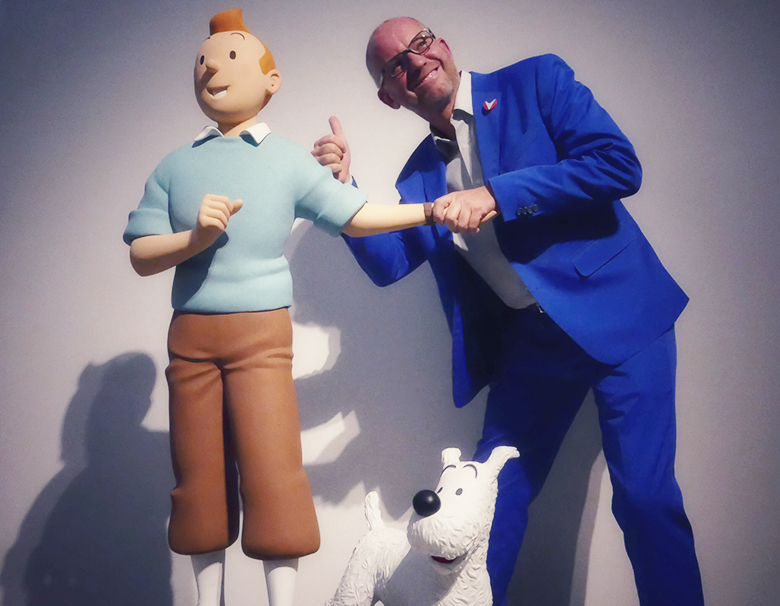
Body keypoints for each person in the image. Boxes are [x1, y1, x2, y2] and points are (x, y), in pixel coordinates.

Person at [312, 16, 704, 606]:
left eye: (420, 43)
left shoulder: (536, 81)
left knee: (645, 499)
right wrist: (343, 188)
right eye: (395, 66)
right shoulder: (419, 174)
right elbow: (389, 263)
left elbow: (617, 164)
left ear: (443, 44)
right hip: (532, 346)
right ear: (390, 97)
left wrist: (496, 194)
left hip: (622, 312)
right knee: (485, 505)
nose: (415, 61)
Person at [123, 10, 432, 606]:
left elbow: (356, 216)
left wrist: (430, 210)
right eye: (203, 61)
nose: (211, 68)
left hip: (261, 335)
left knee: (273, 467)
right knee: (198, 476)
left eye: (229, 57)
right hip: (190, 339)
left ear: (272, 80)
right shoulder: (175, 166)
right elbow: (141, 254)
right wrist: (194, 239)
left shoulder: (287, 160)